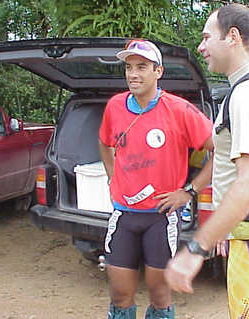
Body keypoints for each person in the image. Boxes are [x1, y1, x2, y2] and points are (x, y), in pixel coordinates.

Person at [165, 4, 249, 319]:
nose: (201, 47)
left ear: (233, 37)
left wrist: (196, 248)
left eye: (207, 37)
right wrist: (229, 230)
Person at [98, 39, 214, 319]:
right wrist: (113, 176)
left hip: (161, 217)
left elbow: (220, 151)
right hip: (124, 214)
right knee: (120, 294)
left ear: (158, 71)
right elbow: (104, 143)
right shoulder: (115, 106)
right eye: (128, 67)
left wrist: (189, 191)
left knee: (160, 295)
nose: (133, 74)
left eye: (141, 67)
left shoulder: (179, 110)